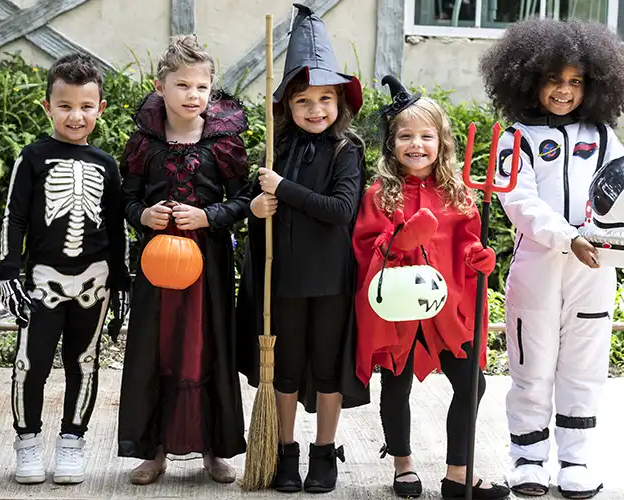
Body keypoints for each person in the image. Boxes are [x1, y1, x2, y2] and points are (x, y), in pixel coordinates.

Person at [478, 18, 624, 499]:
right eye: (553, 79)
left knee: (584, 367)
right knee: (532, 366)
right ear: (528, 79)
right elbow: (520, 203)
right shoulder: (515, 138)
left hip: (594, 271)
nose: (564, 91)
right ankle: (527, 457)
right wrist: (569, 238)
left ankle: (576, 458)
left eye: (575, 81)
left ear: (594, 85)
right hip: (538, 270)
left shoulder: (604, 137)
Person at [352, 75, 510, 500]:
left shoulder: (459, 195)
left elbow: (468, 246)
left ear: (442, 143)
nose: (416, 145)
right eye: (405, 136)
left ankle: (457, 475)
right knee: (396, 383)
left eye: (426, 136)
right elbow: (365, 247)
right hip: (400, 309)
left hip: (447, 309)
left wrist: (481, 260)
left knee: (471, 383)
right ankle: (403, 465)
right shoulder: (379, 195)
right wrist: (396, 243)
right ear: (392, 143)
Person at [236, 3, 370, 494]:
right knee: (286, 370)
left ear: (339, 103)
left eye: (325, 99)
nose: (315, 110)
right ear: (287, 108)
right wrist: (258, 209)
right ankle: (286, 452)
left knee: (327, 366)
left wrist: (284, 190)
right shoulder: (277, 150)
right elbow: (261, 223)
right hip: (285, 280)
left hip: (331, 280)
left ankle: (323, 452)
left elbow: (339, 210)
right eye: (303, 101)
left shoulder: (346, 150)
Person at [117, 35, 249, 486]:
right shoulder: (144, 142)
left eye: (202, 87)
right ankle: (153, 450)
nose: (193, 96)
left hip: (207, 263)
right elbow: (124, 199)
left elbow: (244, 199)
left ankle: (214, 447)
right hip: (156, 265)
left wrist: (208, 215)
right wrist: (144, 216)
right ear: (160, 87)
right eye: (183, 86)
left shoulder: (224, 143)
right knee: (157, 347)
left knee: (206, 346)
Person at [0, 53, 130, 485]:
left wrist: (123, 278)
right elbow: (13, 217)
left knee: (84, 363)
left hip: (95, 280)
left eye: (86, 106)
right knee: (29, 364)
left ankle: (73, 440)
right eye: (65, 106)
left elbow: (115, 224)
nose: (76, 116)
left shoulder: (106, 164)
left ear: (100, 109)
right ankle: (28, 442)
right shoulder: (32, 157)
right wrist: (8, 272)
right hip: (43, 280)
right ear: (47, 107)